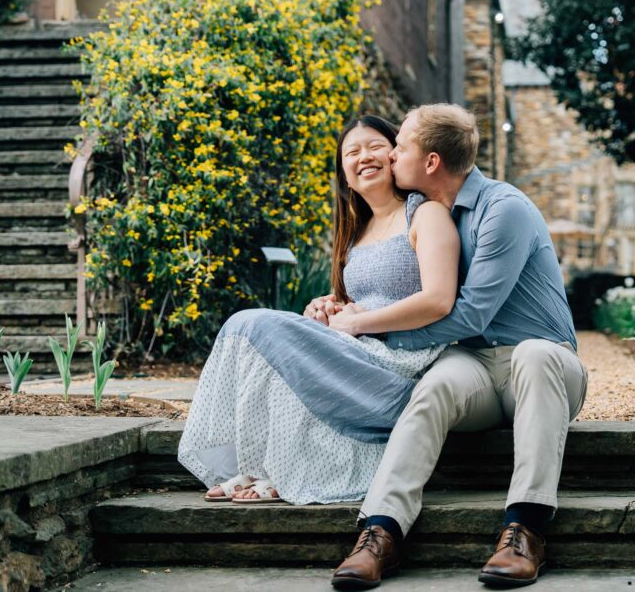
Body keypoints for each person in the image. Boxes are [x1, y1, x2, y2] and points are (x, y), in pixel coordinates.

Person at [319, 104, 588, 589]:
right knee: (436, 385)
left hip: (546, 364)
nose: (390, 153)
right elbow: (412, 294)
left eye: (399, 146)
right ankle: (379, 531)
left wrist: (368, 328)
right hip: (478, 365)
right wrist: (342, 306)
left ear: (430, 163)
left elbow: (468, 313)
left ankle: (525, 529)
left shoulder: (502, 209)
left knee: (534, 354)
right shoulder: (430, 214)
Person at [177, 115, 459, 505]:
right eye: (352, 152)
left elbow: (438, 299)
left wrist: (358, 322)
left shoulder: (425, 214)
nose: (365, 157)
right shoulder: (356, 232)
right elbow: (362, 300)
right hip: (361, 347)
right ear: (344, 174)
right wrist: (328, 307)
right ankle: (263, 464)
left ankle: (281, 469)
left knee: (255, 324)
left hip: (402, 359)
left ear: (395, 156)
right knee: (271, 343)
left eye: (375, 146)